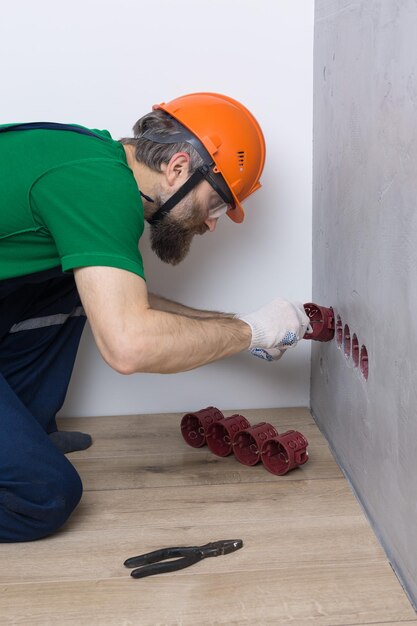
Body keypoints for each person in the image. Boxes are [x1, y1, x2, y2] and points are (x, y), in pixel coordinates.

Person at [0, 92, 309, 542]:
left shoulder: (97, 163)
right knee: (43, 496)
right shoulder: (99, 187)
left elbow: (123, 298)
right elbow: (129, 344)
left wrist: (238, 322)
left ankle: (25, 431)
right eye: (218, 203)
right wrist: (250, 332)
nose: (211, 223)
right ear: (179, 168)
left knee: (72, 281)